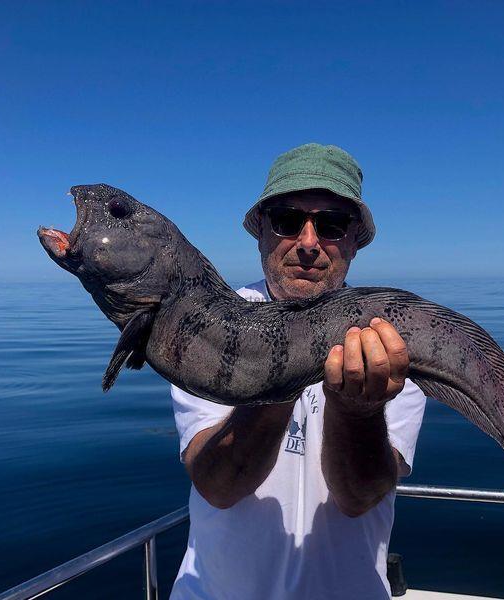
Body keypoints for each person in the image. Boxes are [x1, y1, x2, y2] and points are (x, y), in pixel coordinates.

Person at [170, 143, 426, 600]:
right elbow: (218, 486)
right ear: (262, 232)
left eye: (330, 225)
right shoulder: (210, 324)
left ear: (353, 241)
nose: (308, 243)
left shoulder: (389, 336)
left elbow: (358, 498)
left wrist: (360, 412)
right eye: (288, 221)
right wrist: (281, 375)